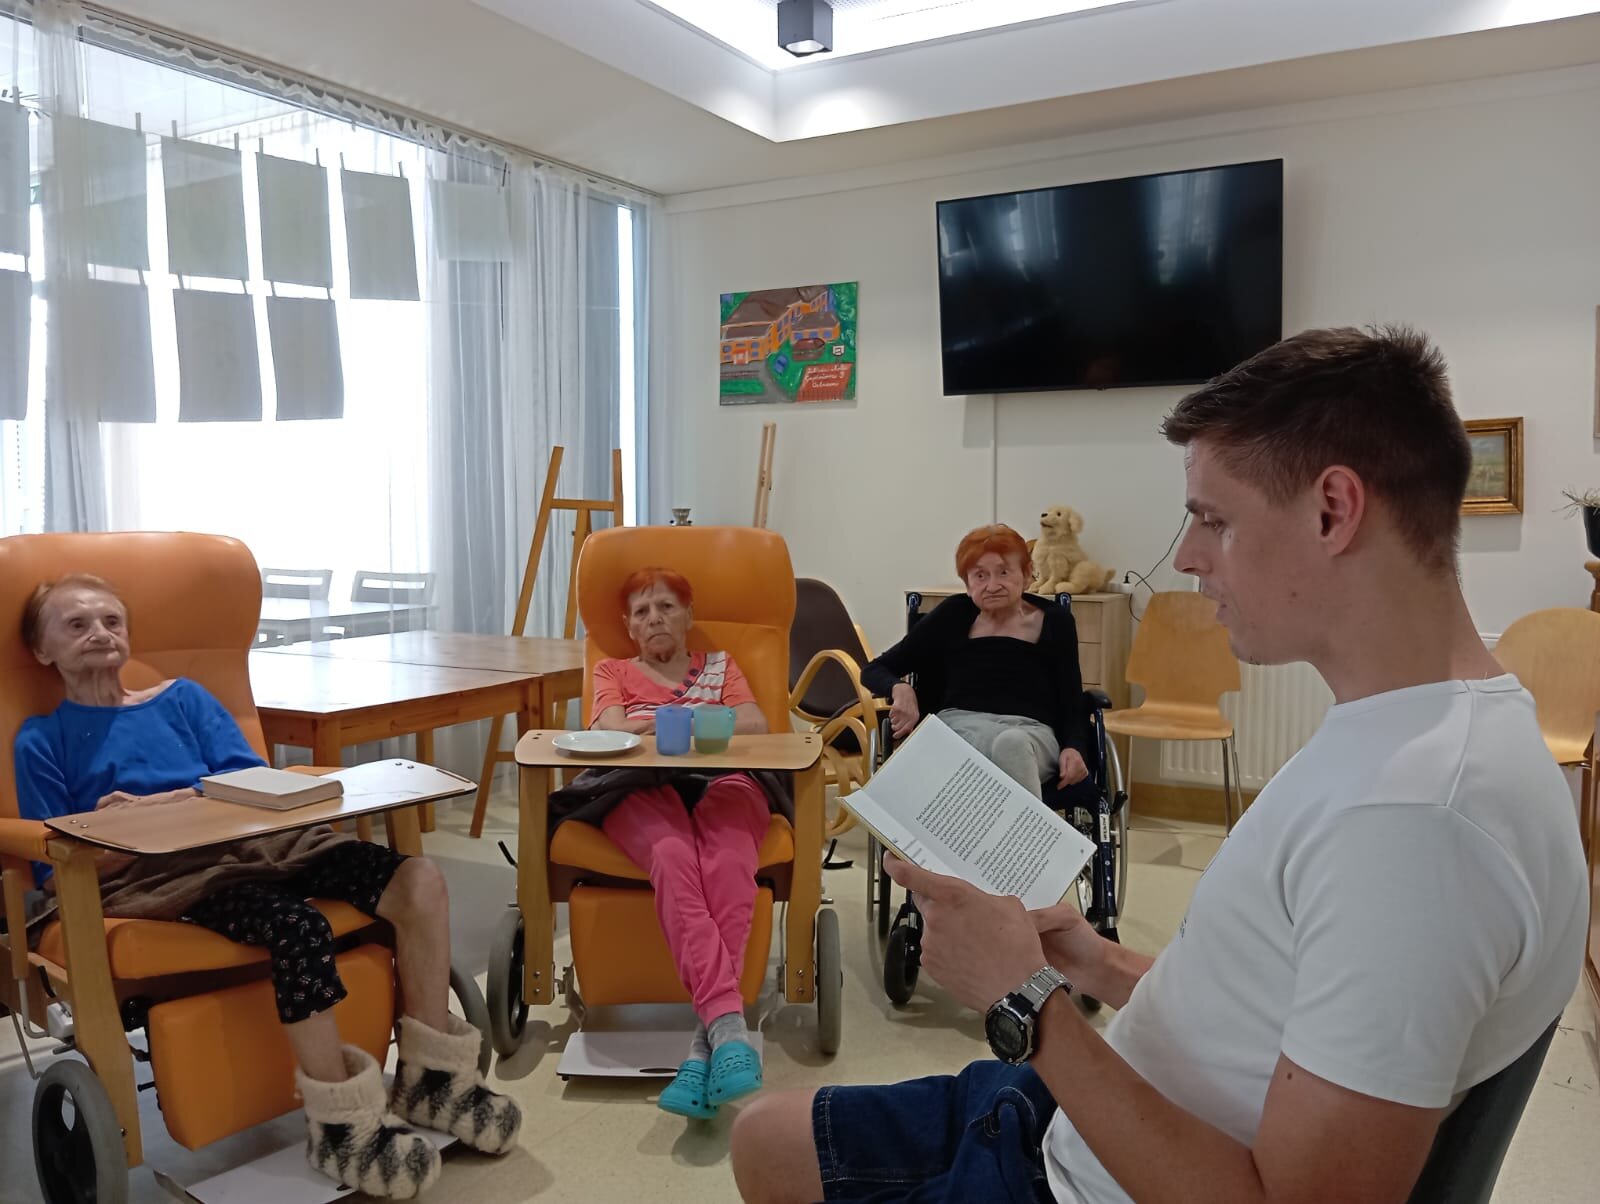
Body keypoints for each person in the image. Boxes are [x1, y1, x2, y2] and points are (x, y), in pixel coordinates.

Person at [729, 325, 1589, 1203]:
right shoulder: (1415, 735)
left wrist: (1023, 1001)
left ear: (1333, 510)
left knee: (777, 1156)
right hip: (1087, 1109)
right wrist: (1094, 962)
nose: (1184, 555)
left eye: (1215, 519)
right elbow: (1264, 1014)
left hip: (1089, 1171)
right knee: (763, 1137)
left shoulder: (1416, 824)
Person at [14, 575, 521, 1200]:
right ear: (42, 650)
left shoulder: (184, 700)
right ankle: (342, 1126)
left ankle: (434, 1080)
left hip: (261, 844)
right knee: (297, 927)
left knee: (417, 879)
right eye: (77, 625)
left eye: (111, 621)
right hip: (166, 879)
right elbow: (56, 860)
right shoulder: (41, 740)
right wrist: (137, 827)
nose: (99, 633)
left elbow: (252, 783)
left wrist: (163, 803)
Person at [550, 566, 786, 1120]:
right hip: (634, 785)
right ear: (629, 627)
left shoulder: (722, 665)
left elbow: (754, 724)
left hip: (728, 779)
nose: (654, 618)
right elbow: (608, 731)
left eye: (666, 607)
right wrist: (699, 718)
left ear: (688, 616)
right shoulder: (612, 670)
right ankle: (725, 1030)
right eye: (641, 611)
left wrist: (653, 722)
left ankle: (707, 1045)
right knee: (673, 856)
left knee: (727, 861)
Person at [861, 523, 1093, 801]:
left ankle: (1024, 830)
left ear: (1027, 574)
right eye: (980, 575)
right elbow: (874, 670)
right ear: (967, 583)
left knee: (1011, 744)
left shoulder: (1055, 621)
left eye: (1004, 572)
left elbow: (1071, 697)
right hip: (958, 727)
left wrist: (1075, 747)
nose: (992, 586)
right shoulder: (953, 614)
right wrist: (900, 688)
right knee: (954, 748)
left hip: (1030, 733)